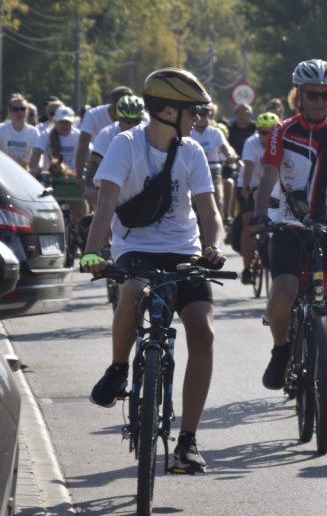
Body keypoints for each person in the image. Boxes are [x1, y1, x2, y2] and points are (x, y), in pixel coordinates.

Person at [79, 68, 227, 474]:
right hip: (137, 249)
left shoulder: (193, 152)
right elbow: (105, 203)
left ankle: (188, 442)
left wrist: (213, 246)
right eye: (191, 111)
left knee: (204, 331)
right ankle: (118, 369)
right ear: (166, 111)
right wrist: (93, 254)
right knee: (131, 293)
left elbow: (209, 212)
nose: (197, 119)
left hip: (185, 251)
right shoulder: (125, 145)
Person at [250, 59, 327, 394]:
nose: (319, 102)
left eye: (326, 96)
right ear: (298, 95)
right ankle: (281, 349)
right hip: (290, 225)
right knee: (283, 293)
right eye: (312, 94)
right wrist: (259, 215)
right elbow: (267, 176)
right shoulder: (282, 132)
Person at [237, 111, 279, 284]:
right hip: (250, 185)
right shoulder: (251, 142)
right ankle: (247, 268)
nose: (267, 136)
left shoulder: (281, 142)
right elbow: (248, 167)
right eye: (263, 132)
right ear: (258, 132)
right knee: (249, 224)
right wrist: (246, 188)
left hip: (273, 190)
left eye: (271, 132)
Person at [75, 86, 134, 203]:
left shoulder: (138, 118)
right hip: (100, 159)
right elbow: (83, 145)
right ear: (112, 103)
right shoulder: (93, 115)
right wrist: (80, 176)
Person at [82, 94, 147, 191]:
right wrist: (89, 186)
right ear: (118, 118)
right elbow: (95, 160)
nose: (133, 125)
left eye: (137, 121)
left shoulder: (149, 133)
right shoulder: (107, 134)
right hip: (114, 187)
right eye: (128, 121)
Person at [0, 93, 40, 169]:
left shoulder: (33, 132)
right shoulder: (1, 129)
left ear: (26, 111)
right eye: (15, 109)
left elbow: (36, 157)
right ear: (10, 112)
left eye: (22, 109)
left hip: (25, 171)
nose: (19, 112)